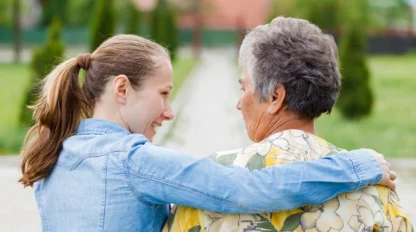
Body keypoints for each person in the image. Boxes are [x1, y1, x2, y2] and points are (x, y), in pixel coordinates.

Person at [19, 34, 395, 232]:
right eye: (164, 94)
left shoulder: (52, 158)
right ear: (122, 89)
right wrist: (357, 166)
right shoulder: (134, 161)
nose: (169, 111)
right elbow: (250, 190)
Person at [165, 17, 413, 232]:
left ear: (275, 97)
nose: (239, 103)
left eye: (244, 88)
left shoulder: (211, 182)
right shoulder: (377, 187)